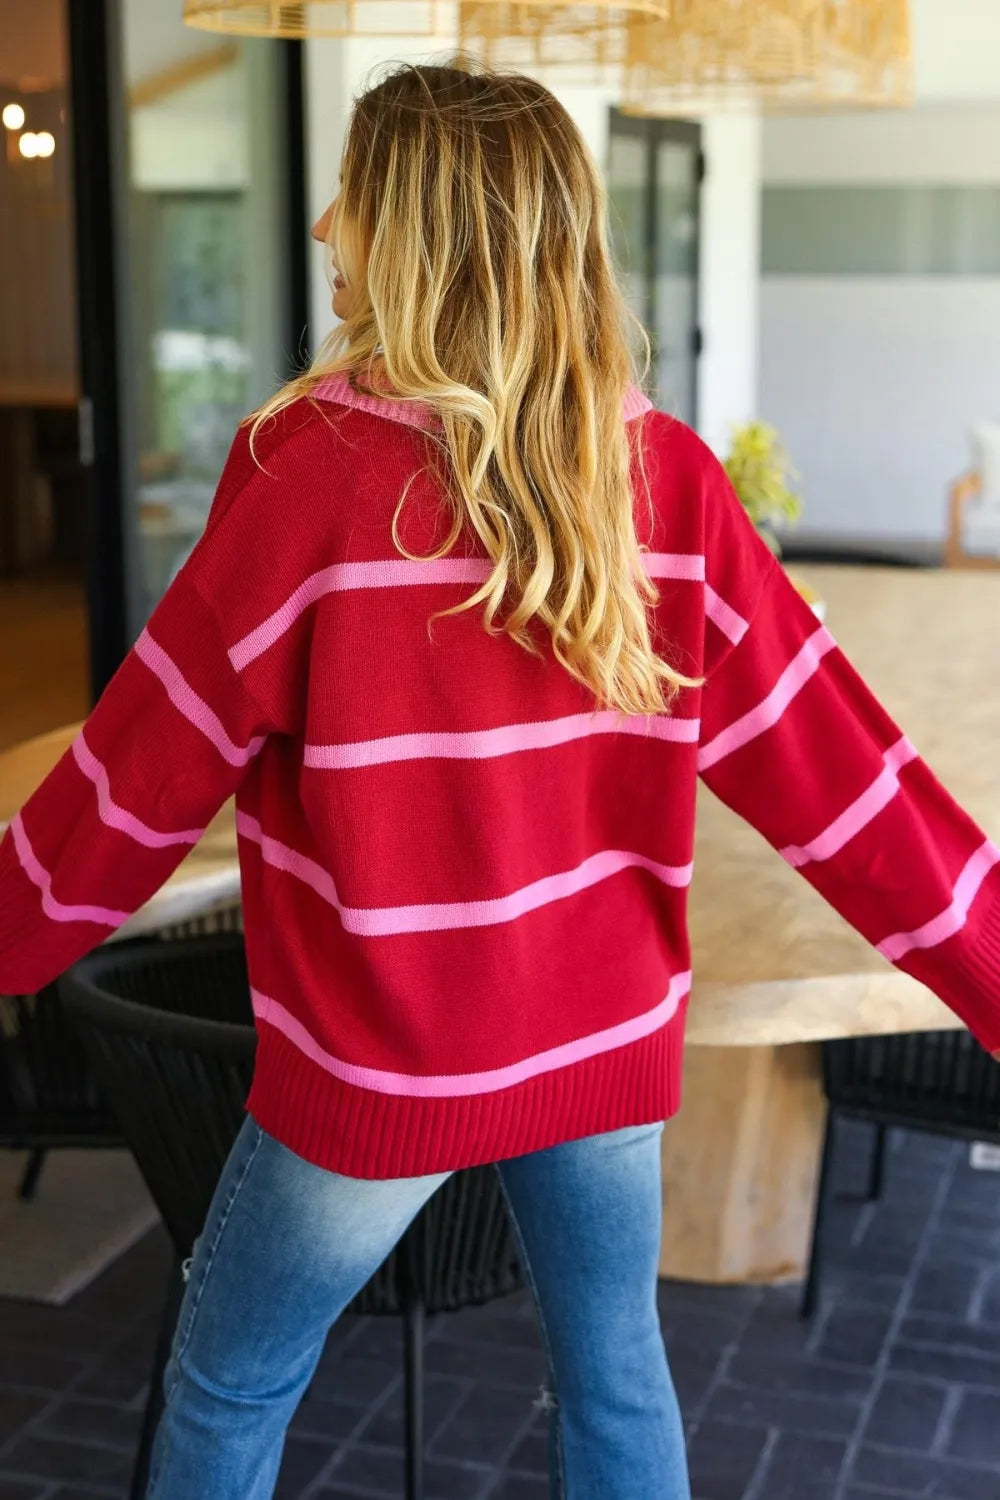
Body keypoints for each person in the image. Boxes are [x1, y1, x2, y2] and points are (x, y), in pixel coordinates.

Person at [0, 61, 998, 1500]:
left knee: (230, 1387)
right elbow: (854, 787)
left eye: (358, 194)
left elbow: (132, 785)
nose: (328, 226)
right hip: (601, 1053)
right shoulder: (665, 482)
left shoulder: (305, 479)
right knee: (617, 1378)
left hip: (379, 1074)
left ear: (419, 233)